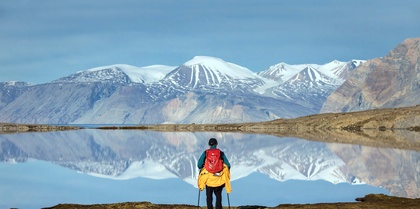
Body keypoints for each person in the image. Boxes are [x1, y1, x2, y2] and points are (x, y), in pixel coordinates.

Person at [197, 138, 231, 209]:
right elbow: (228, 165)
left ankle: (210, 208)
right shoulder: (220, 153)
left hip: (209, 179)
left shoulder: (206, 153)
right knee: (218, 195)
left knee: (209, 196)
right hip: (219, 179)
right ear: (216, 144)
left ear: (209, 145)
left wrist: (204, 166)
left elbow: (199, 165)